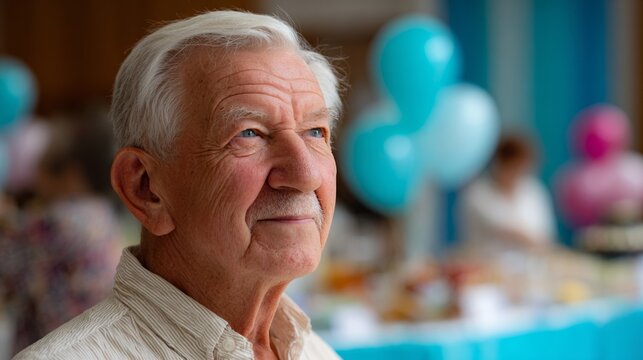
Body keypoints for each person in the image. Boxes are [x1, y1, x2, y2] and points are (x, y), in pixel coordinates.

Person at [14, 10, 342, 360]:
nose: (306, 174)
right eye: (249, 134)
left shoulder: (315, 352)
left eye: (315, 132)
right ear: (145, 188)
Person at [1, 112, 122, 355]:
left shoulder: (60, 222)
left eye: (41, 166)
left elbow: (6, 265)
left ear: (71, 174)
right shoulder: (102, 215)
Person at [459, 134, 556, 257]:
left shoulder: (534, 190)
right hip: (487, 265)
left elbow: (546, 236)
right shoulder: (478, 193)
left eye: (522, 168)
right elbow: (502, 227)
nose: (517, 173)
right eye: (513, 167)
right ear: (500, 163)